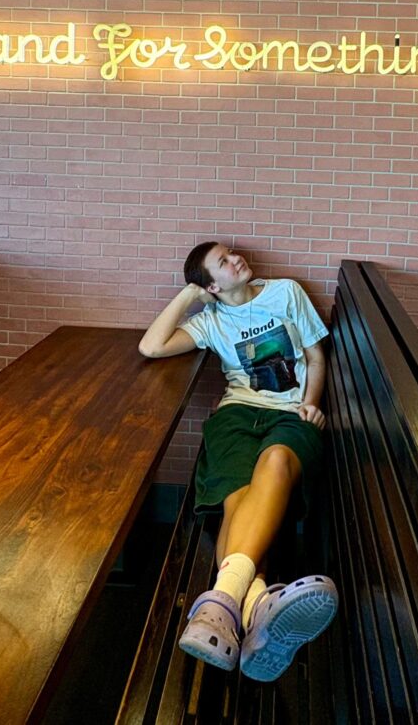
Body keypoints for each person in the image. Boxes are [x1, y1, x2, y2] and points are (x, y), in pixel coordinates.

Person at [139, 241, 338, 682]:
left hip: (289, 415)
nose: (236, 260)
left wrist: (310, 402)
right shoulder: (209, 321)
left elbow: (315, 357)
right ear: (212, 285)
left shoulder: (285, 293)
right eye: (223, 263)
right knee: (238, 500)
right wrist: (191, 295)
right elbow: (151, 347)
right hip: (234, 416)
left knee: (277, 462)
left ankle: (222, 599)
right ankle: (257, 605)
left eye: (232, 253)